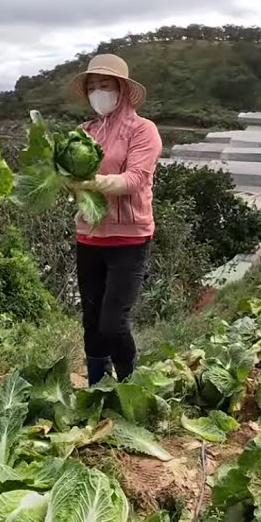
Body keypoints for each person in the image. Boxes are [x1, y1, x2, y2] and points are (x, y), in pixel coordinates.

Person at [68, 53, 162, 386]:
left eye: (104, 85)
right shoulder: (83, 131)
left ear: (121, 89)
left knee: (113, 323)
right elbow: (68, 174)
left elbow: (135, 178)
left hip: (129, 239)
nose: (98, 92)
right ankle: (96, 386)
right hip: (89, 236)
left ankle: (130, 385)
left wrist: (95, 182)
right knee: (91, 320)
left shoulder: (143, 130)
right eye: (92, 86)